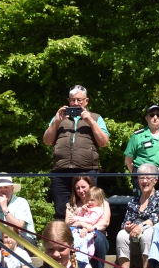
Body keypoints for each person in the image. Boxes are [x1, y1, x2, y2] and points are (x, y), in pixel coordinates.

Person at [43, 86, 110, 215]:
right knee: (61, 210)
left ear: (86, 101)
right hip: (61, 171)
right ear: (68, 100)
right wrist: (56, 122)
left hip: (87, 170)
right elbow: (47, 141)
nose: (76, 103)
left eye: (79, 100)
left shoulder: (96, 118)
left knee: (89, 208)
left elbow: (104, 142)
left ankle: (88, 233)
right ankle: (63, 234)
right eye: (73, 100)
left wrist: (90, 121)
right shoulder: (59, 118)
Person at [112, 164, 159, 268]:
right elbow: (125, 221)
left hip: (151, 231)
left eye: (148, 178)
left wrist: (141, 226)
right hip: (134, 233)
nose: (144, 181)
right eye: (141, 178)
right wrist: (127, 226)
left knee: (148, 233)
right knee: (121, 235)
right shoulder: (134, 201)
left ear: (155, 180)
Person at [64, 177, 109, 268]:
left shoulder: (102, 203)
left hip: (96, 236)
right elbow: (67, 223)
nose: (81, 190)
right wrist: (83, 223)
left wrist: (89, 228)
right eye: (77, 188)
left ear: (90, 186)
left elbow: (104, 223)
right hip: (78, 235)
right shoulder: (71, 205)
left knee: (96, 237)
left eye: (83, 187)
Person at [123, 105, 159, 177]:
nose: (155, 117)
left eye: (158, 115)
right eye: (152, 115)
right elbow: (128, 160)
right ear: (146, 118)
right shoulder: (137, 136)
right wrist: (136, 176)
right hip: (144, 176)